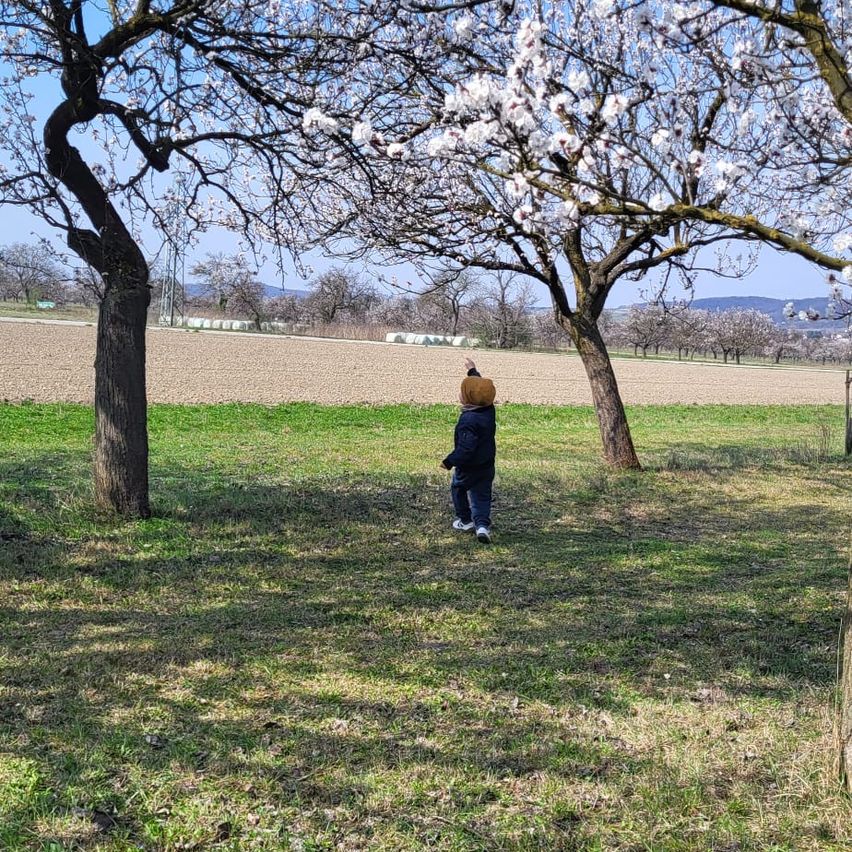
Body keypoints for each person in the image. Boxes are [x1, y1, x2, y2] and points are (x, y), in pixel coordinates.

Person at [440, 357, 496, 544]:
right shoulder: (488, 410)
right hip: (487, 465)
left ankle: (465, 521)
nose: (460, 395)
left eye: (462, 393)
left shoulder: (468, 421)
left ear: (469, 398)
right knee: (482, 495)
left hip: (468, 467)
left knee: (458, 488)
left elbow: (466, 448)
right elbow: (481, 390)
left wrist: (449, 461)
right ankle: (482, 526)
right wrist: (473, 370)